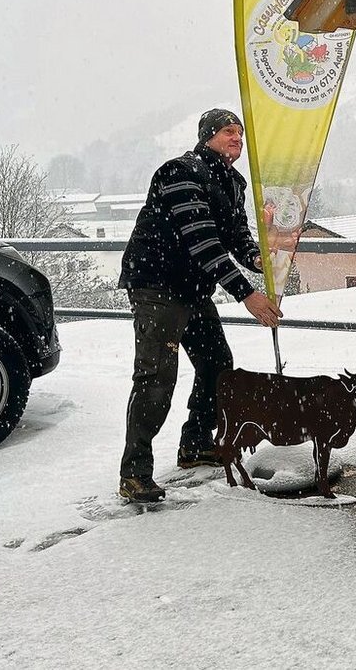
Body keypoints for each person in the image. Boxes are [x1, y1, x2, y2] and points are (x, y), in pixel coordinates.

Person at [116, 108, 282, 503]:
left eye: (240, 134)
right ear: (207, 135)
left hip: (193, 289)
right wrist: (248, 294)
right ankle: (134, 473)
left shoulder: (233, 182)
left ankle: (195, 443)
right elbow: (202, 240)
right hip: (156, 285)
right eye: (229, 131)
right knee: (156, 377)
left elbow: (235, 239)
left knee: (216, 364)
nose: (237, 139)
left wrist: (261, 258)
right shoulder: (180, 172)